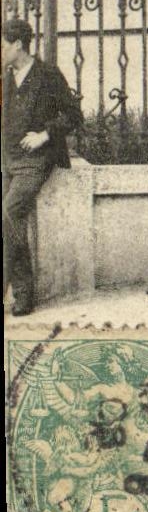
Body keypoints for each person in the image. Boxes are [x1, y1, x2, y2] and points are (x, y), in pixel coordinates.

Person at [2, 18, 82, 315]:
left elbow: (74, 115)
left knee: (10, 213)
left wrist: (44, 135)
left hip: (36, 159)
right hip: (7, 158)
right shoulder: (5, 77)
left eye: (2, 46)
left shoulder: (47, 75)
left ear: (18, 45)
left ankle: (21, 293)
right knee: (9, 220)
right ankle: (18, 291)